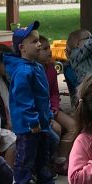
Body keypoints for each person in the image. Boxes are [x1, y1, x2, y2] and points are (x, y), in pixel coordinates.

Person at [2, 21, 56, 184]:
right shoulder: (23, 71)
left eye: (38, 40)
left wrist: (47, 115)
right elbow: (24, 100)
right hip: (29, 125)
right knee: (26, 156)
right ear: (22, 48)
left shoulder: (37, 66)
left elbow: (43, 96)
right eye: (34, 42)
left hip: (41, 121)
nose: (39, 44)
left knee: (43, 154)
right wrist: (33, 121)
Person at [38, 35, 75, 170]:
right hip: (40, 110)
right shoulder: (32, 71)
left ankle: (61, 160)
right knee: (57, 128)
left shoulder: (51, 69)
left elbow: (54, 93)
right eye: (45, 49)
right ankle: (49, 160)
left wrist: (54, 107)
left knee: (73, 125)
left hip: (51, 108)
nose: (49, 51)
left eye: (49, 47)